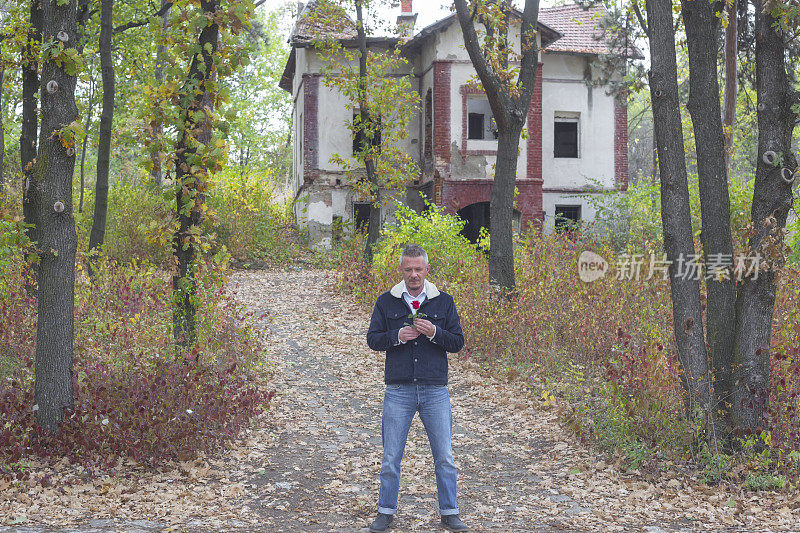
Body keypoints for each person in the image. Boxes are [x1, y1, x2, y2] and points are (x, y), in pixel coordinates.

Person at [366, 244, 468, 532]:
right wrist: (397, 336)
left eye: (418, 269)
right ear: (402, 269)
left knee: (445, 457)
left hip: (435, 391)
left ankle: (450, 512)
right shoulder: (387, 301)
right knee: (390, 458)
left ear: (426, 269)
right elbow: (373, 339)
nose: (413, 274)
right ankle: (385, 511)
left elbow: (457, 343)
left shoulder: (443, 301)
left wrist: (434, 332)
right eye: (408, 269)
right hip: (398, 391)